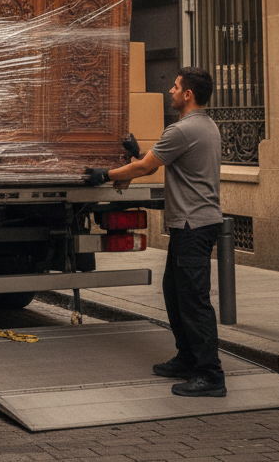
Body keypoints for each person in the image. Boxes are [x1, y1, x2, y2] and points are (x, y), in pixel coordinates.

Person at [85, 66, 226, 398]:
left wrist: (103, 175)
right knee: (175, 295)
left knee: (193, 301)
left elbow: (147, 167)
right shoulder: (205, 126)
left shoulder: (182, 129)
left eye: (175, 87)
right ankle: (188, 358)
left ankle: (210, 374)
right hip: (192, 224)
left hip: (194, 225)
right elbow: (161, 160)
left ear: (188, 94)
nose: (171, 92)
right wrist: (137, 152)